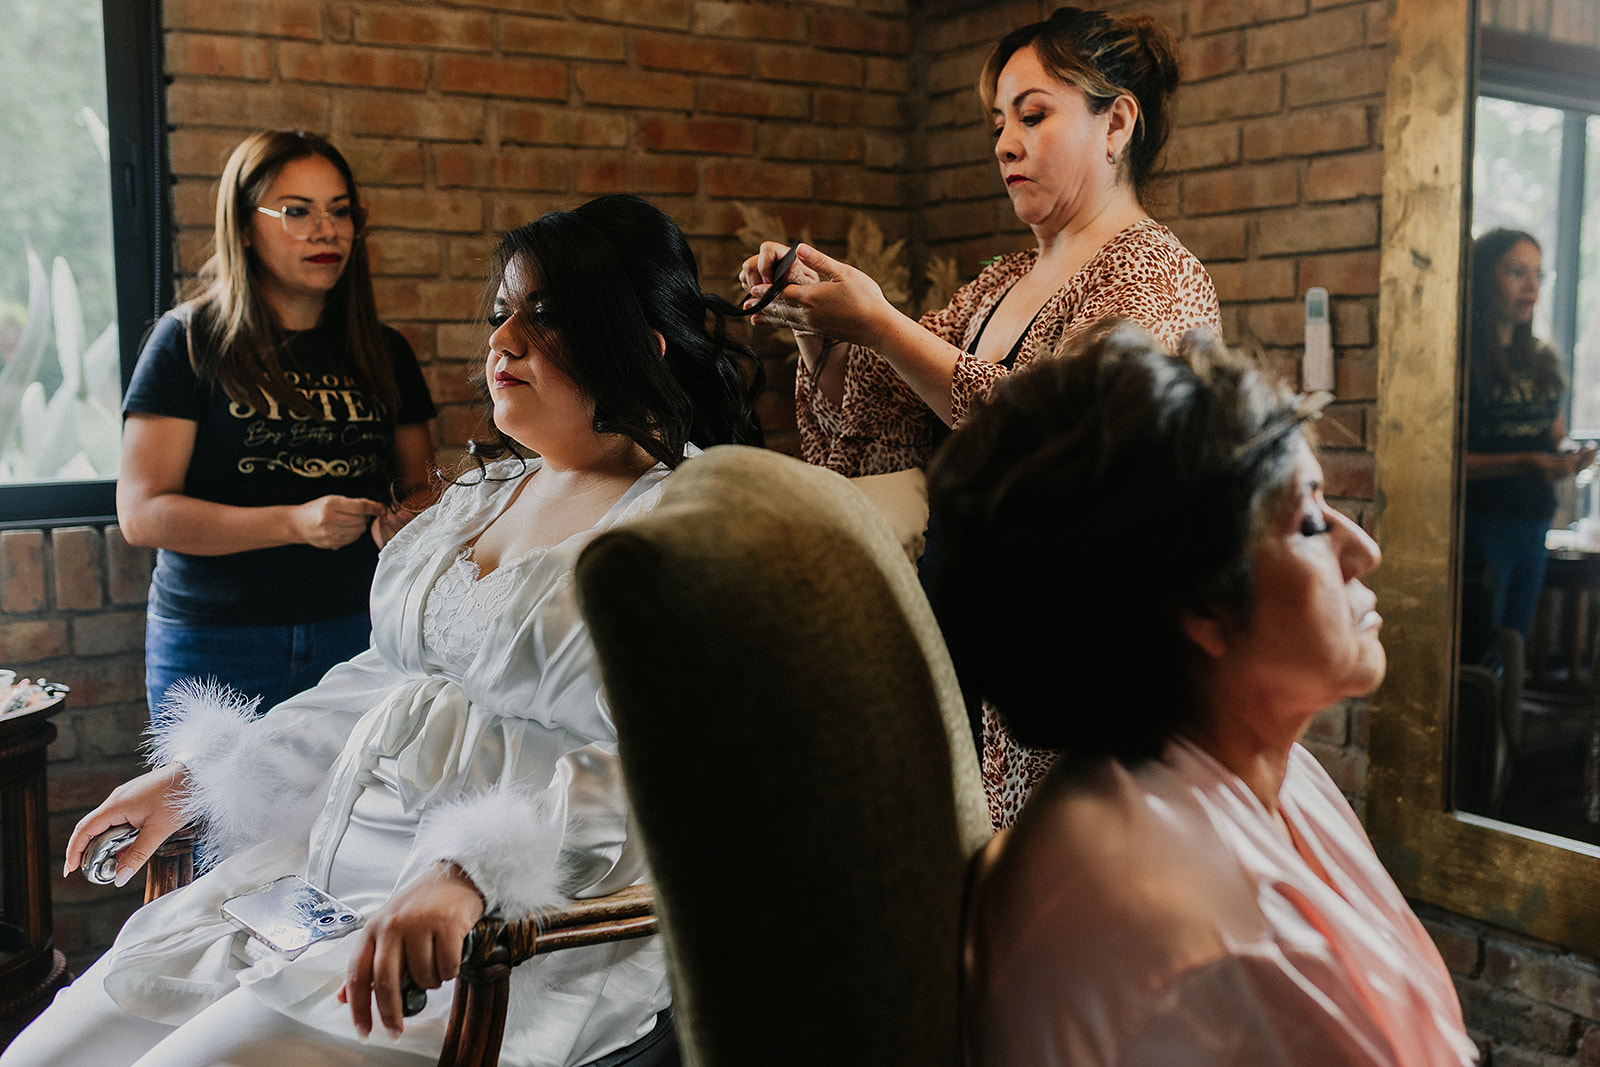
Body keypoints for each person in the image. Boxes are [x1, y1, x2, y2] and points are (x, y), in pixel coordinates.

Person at [3, 194, 763, 1067]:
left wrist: (473, 871)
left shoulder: (690, 523)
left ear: (641, 344)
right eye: (502, 311)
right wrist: (200, 775)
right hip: (321, 872)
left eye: (545, 315)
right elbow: (382, 680)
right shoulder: (481, 497)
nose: (503, 340)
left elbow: (670, 763)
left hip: (499, 933)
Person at [930, 321, 1476, 1065]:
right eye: (1310, 521)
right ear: (1202, 601)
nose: (1364, 550)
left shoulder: (1273, 770)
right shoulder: (1222, 943)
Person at [740, 6, 1219, 828]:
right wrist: (819, 324)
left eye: (1032, 116)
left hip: (1069, 648)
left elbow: (1059, 432)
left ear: (1117, 124)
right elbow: (881, 424)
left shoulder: (1153, 274)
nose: (1005, 143)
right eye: (999, 123)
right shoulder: (1000, 281)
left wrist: (881, 323)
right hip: (957, 635)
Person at [118, 129, 438, 720]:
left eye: (340, 211)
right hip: (217, 640)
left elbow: (423, 486)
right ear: (244, 226)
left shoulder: (384, 350)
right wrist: (295, 522)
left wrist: (405, 517)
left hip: (362, 626)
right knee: (211, 788)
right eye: (297, 211)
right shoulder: (187, 341)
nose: (326, 231)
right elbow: (142, 513)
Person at [1462, 228, 1594, 655]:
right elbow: (1444, 462)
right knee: (1479, 655)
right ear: (1486, 277)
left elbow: (1555, 436)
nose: (1531, 287)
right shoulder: (1462, 359)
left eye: (1538, 274)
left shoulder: (1541, 359)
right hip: (1481, 528)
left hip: (1534, 525)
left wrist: (1570, 454)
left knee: (1513, 650)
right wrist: (1523, 462)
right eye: (1517, 272)